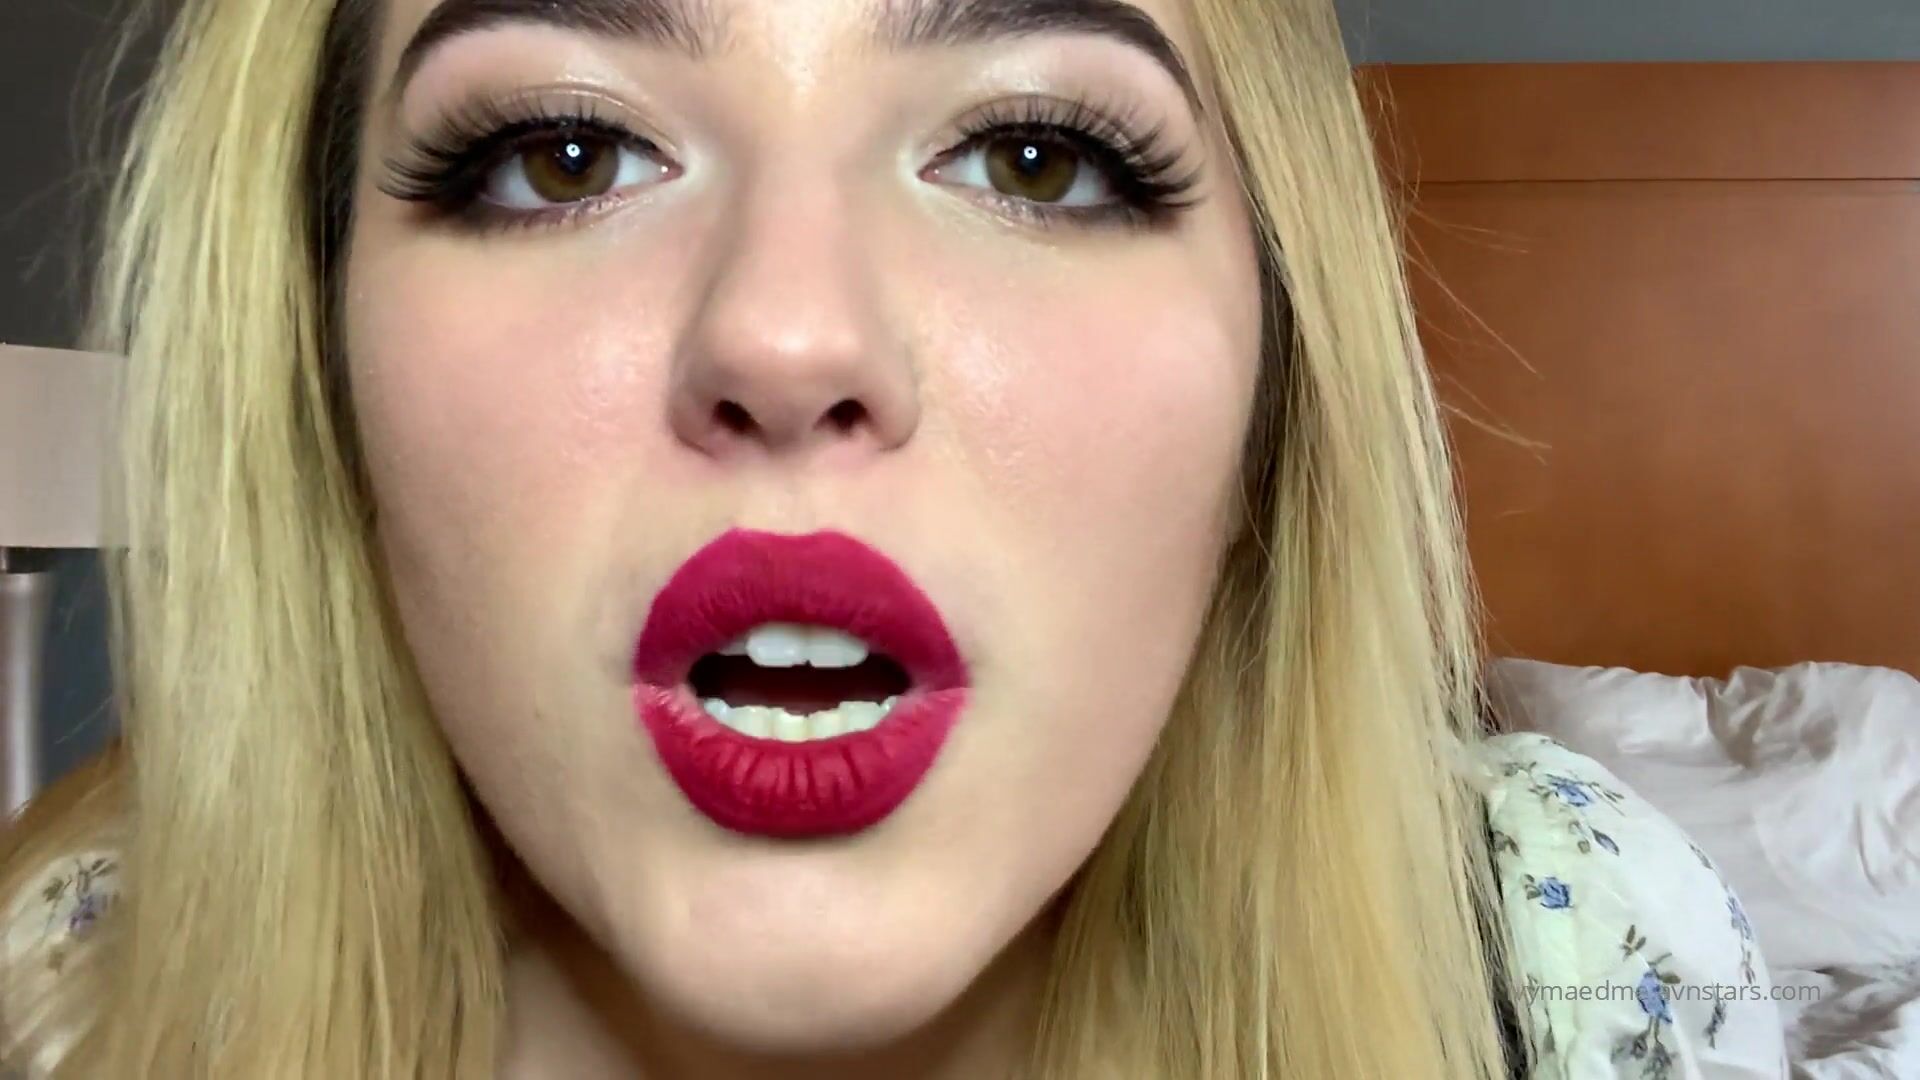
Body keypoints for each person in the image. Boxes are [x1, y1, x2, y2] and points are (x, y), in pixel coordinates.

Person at [0, 0, 1789, 1076]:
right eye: (563, 154)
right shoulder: (73, 1000)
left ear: (1272, 401)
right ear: (320, 376)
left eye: (1033, 157)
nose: (788, 337)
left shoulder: (1568, 965)